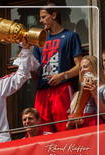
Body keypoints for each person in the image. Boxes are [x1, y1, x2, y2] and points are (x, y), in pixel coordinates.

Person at [32, 4, 82, 132]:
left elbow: (80, 66)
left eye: (43, 17)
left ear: (54, 15)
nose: (41, 20)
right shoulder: (39, 41)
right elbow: (34, 71)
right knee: (42, 131)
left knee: (65, 128)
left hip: (62, 89)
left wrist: (62, 76)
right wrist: (24, 53)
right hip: (42, 91)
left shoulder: (71, 36)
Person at [66, 55, 105, 129]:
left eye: (85, 67)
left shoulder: (103, 89)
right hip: (82, 131)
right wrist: (73, 121)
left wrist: (95, 95)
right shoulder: (77, 94)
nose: (82, 70)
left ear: (95, 68)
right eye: (80, 68)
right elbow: (68, 126)